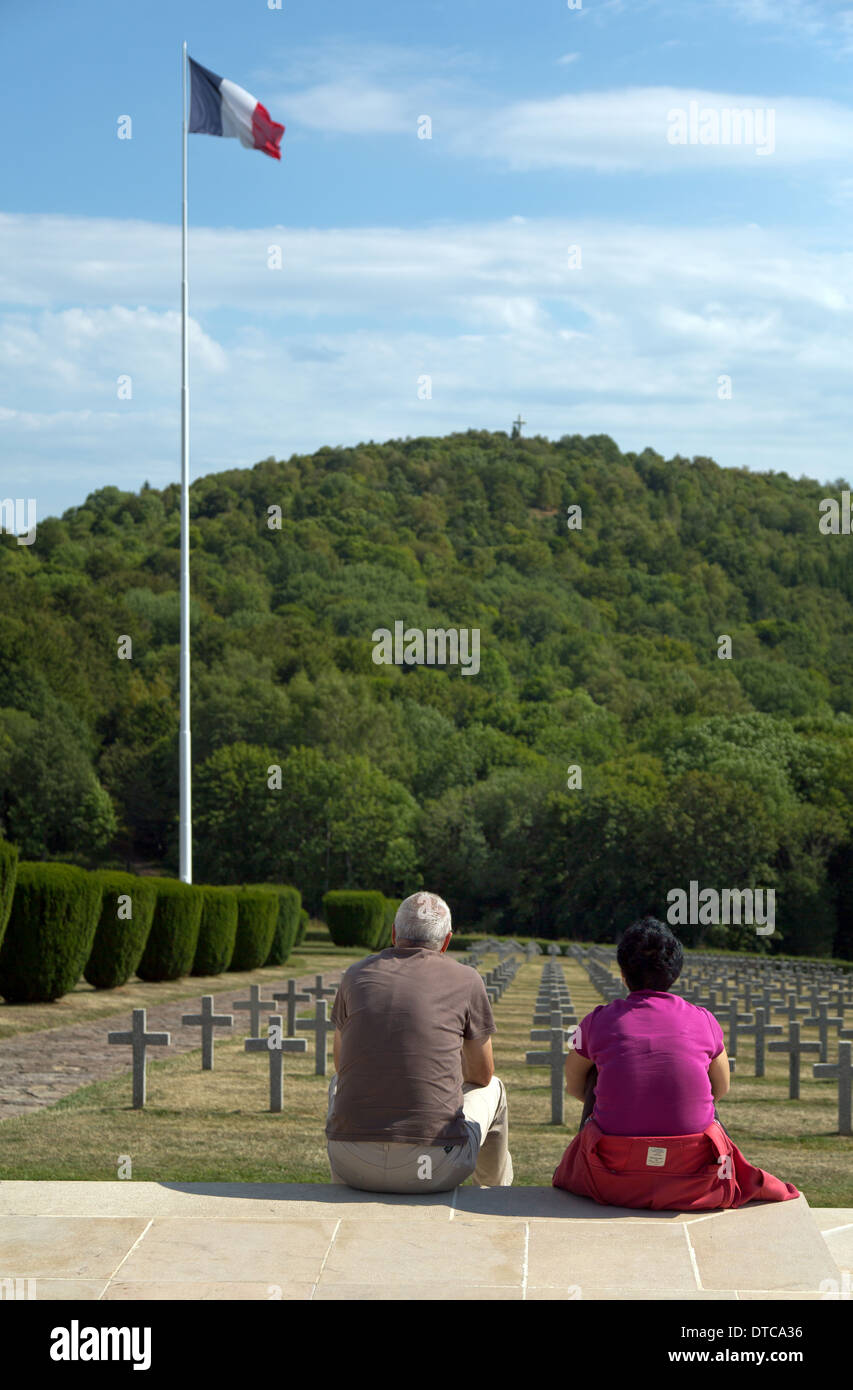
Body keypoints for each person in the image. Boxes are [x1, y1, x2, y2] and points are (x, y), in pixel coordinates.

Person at [554, 917, 799, 1210]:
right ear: (675, 973)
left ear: (622, 973)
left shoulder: (595, 1021)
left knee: (595, 1069)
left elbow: (573, 1083)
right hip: (696, 1178)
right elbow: (720, 1088)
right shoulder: (704, 1019)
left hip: (610, 1178)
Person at [325, 891, 513, 1193]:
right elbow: (482, 1074)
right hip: (432, 1166)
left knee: (339, 1081)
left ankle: (347, 1182)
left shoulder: (355, 974)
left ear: (394, 933)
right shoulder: (467, 979)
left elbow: (341, 1062)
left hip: (351, 1164)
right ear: (447, 940)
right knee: (495, 1088)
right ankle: (494, 1195)